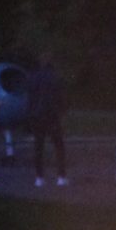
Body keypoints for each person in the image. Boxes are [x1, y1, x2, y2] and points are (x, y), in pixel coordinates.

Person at [28, 57, 69, 188]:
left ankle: (39, 178)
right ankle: (61, 177)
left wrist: (31, 113)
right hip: (52, 115)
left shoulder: (33, 78)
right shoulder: (55, 78)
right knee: (58, 146)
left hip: (37, 116)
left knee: (38, 146)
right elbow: (61, 97)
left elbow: (30, 98)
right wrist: (63, 112)